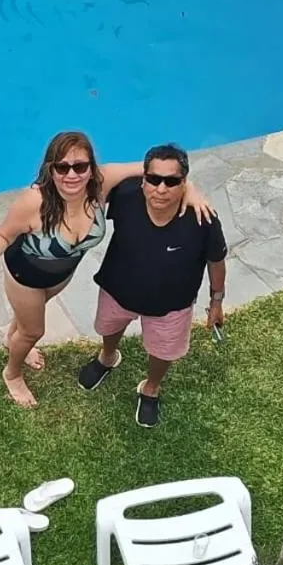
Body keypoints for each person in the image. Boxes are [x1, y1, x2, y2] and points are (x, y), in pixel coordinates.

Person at [0, 131, 216, 408]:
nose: (71, 175)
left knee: (26, 323)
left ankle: (12, 338)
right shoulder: (34, 201)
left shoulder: (102, 182)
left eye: (80, 166)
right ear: (50, 169)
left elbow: (157, 170)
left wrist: (190, 188)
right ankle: (12, 373)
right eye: (62, 167)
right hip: (25, 276)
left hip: (61, 276)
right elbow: (4, 234)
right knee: (33, 330)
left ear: (91, 167)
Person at [77, 143, 228, 428]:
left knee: (163, 351)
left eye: (171, 181)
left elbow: (216, 261)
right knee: (108, 328)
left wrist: (216, 301)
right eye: (154, 179)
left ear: (184, 183)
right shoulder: (125, 195)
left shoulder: (203, 219)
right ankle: (108, 358)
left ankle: (151, 388)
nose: (161, 189)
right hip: (117, 289)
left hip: (172, 304)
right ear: (143, 180)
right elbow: (85, 180)